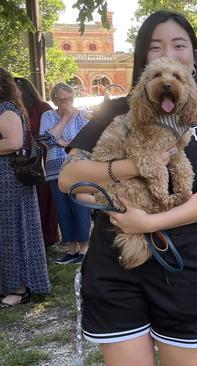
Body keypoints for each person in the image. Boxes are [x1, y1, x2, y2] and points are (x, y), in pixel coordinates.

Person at [58, 11, 197, 365]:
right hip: (116, 264)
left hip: (183, 264)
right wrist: (137, 164)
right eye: (155, 47)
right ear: (143, 59)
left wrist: (149, 223)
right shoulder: (114, 111)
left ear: (194, 57)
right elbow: (68, 177)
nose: (167, 52)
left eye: (178, 45)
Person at [0, 67, 51, 308]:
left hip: (10, 181)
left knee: (13, 233)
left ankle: (20, 289)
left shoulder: (7, 108)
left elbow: (14, 142)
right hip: (5, 181)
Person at [40, 83, 91, 264]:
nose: (67, 103)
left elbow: (85, 140)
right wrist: (63, 121)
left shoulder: (83, 114)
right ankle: (72, 248)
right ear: (54, 100)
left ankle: (84, 248)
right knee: (62, 209)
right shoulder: (47, 115)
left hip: (78, 167)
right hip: (55, 169)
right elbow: (46, 140)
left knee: (80, 207)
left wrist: (60, 141)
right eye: (62, 100)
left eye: (69, 99)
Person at [14, 77, 59, 247]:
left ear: (24, 89)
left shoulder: (42, 108)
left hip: (40, 159)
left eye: (15, 87)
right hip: (19, 161)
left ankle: (48, 237)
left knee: (44, 198)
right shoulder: (13, 109)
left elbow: (49, 134)